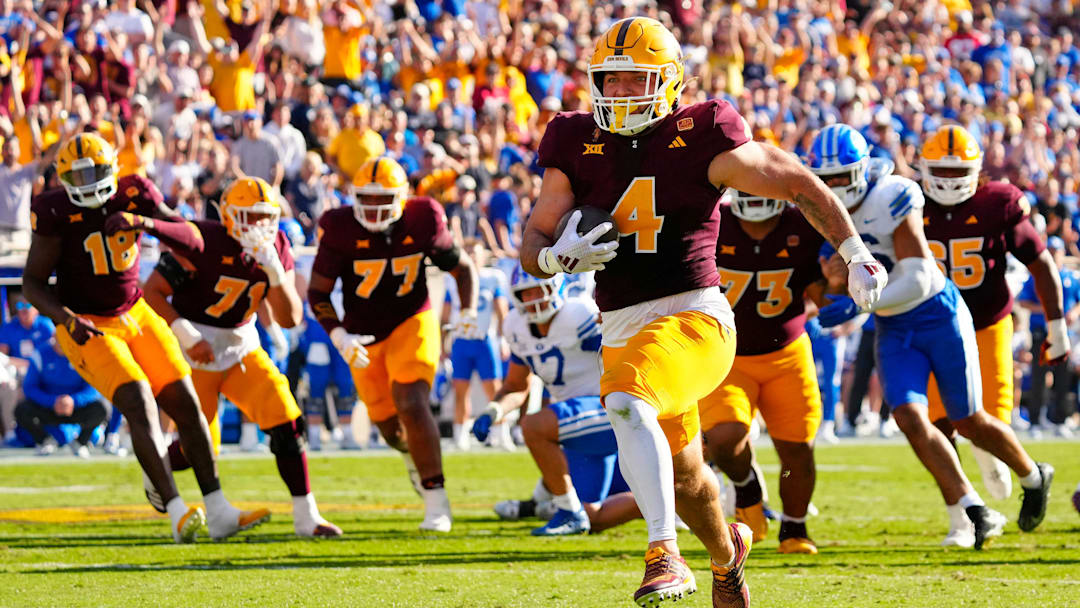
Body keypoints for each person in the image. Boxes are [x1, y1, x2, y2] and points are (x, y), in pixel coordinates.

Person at [520, 17, 885, 607]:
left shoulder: (703, 130)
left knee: (625, 401)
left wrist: (855, 250)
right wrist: (558, 258)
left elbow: (793, 179)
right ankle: (725, 557)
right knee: (688, 478)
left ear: (668, 83)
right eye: (608, 81)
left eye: (633, 80)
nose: (618, 94)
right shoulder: (572, 138)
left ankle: (664, 552)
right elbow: (533, 240)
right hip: (621, 326)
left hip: (696, 317)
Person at [24, 133, 268, 543]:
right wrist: (65, 320)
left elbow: (193, 239)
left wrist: (144, 223)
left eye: (94, 172)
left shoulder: (134, 191)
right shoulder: (54, 210)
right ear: (62, 177)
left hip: (136, 310)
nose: (86, 182)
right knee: (138, 399)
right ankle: (176, 512)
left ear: (112, 170)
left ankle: (220, 510)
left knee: (186, 404)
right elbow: (32, 283)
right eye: (76, 174)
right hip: (87, 321)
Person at [811, 124, 1035, 550]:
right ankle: (969, 511)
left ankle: (1033, 476)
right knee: (911, 418)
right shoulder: (814, 207)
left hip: (937, 313)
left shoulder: (891, 195)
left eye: (842, 177)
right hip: (895, 325)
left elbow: (915, 277)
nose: (834, 188)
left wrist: (860, 304)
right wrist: (831, 286)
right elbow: (823, 280)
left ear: (862, 171)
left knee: (968, 418)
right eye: (826, 180)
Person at [141, 177, 342, 538]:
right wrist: (186, 334)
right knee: (197, 448)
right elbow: (152, 291)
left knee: (286, 418)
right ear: (229, 216)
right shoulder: (205, 240)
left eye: (266, 217)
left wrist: (276, 276)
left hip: (240, 345)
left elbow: (290, 318)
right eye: (249, 217)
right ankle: (158, 468)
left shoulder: (276, 245)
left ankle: (306, 516)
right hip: (195, 349)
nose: (259, 226)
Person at [308, 156, 478, 533]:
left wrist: (466, 311)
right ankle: (413, 458)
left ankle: (437, 500)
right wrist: (338, 334)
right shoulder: (338, 226)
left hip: (411, 319)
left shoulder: (423, 218)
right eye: (365, 198)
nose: (372, 207)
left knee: (412, 402)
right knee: (390, 430)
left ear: (401, 197)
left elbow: (462, 268)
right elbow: (318, 292)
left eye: (381, 198)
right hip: (362, 335)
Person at [919, 126, 1066, 511]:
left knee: (990, 414)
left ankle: (998, 463)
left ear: (977, 169)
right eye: (941, 170)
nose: (949, 180)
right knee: (939, 421)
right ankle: (968, 507)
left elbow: (1041, 264)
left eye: (957, 171)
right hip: (935, 324)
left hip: (987, 320)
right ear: (923, 167)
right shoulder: (909, 202)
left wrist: (1057, 326)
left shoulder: (997, 203)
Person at [472, 266, 639, 536]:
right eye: (527, 293)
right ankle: (675, 498)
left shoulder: (579, 315)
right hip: (579, 426)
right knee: (593, 517)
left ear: (558, 289)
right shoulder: (516, 327)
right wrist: (492, 411)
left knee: (535, 425)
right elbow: (516, 385)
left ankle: (566, 511)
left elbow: (626, 349)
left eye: (540, 290)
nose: (534, 299)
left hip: (609, 408)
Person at [706, 191, 828, 555]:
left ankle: (794, 527)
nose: (755, 196)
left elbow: (822, 293)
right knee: (724, 438)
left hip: (786, 353)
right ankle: (746, 487)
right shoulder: (713, 220)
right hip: (727, 353)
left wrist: (841, 286)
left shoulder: (803, 224)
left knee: (797, 450)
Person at [444, 240, 508, 450]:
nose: (471, 256)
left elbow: (501, 310)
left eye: (475, 252)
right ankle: (460, 435)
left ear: (483, 256)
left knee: (494, 390)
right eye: (468, 252)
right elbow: (445, 314)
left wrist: (503, 339)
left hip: (484, 339)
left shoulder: (492, 277)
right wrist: (442, 342)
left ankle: (501, 432)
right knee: (460, 390)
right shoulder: (451, 279)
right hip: (461, 340)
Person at [1017, 236, 1080, 437]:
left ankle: (1060, 420)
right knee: (1039, 377)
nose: (1054, 255)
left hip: (1063, 333)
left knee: (1063, 376)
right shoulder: (1038, 276)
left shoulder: (1070, 277)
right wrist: (1046, 311)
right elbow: (1023, 301)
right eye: (1051, 251)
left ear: (1062, 252)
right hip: (1041, 333)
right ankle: (1035, 421)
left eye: (1057, 251)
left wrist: (1073, 313)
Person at [15, 337, 108, 458]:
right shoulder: (40, 354)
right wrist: (52, 401)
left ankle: (81, 443)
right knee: (22, 409)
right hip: (48, 407)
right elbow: (29, 387)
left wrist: (73, 401)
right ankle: (44, 441)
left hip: (75, 408)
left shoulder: (83, 354)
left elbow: (93, 387)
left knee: (102, 408)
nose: (62, 342)